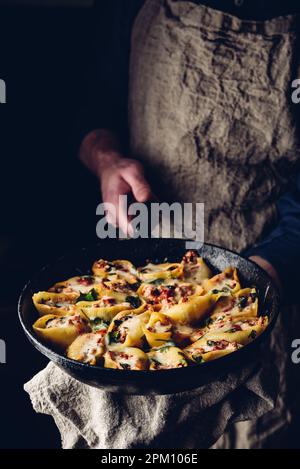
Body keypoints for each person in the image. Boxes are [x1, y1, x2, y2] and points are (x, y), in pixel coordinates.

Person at [79, 0, 300, 448]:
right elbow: (90, 102)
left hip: (256, 282)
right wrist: (105, 158)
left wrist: (259, 277)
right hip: (125, 281)